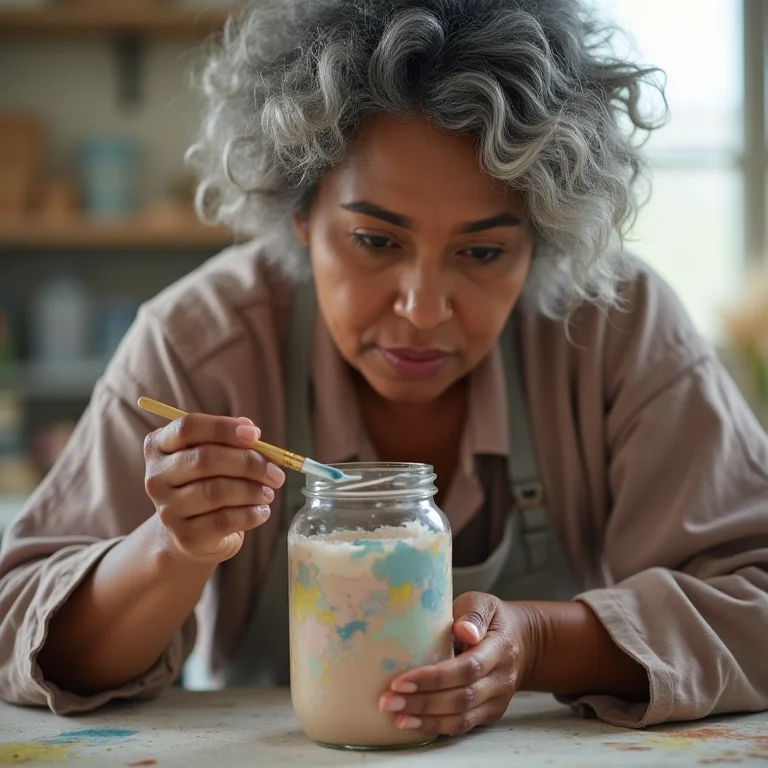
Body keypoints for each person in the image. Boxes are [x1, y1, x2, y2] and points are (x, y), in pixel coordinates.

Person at [1, 0, 767, 737]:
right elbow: (20, 631)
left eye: (482, 251)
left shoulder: (617, 326)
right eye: (375, 241)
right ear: (301, 216)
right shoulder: (200, 343)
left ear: (544, 241)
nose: (423, 309)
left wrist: (539, 643)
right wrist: (173, 549)